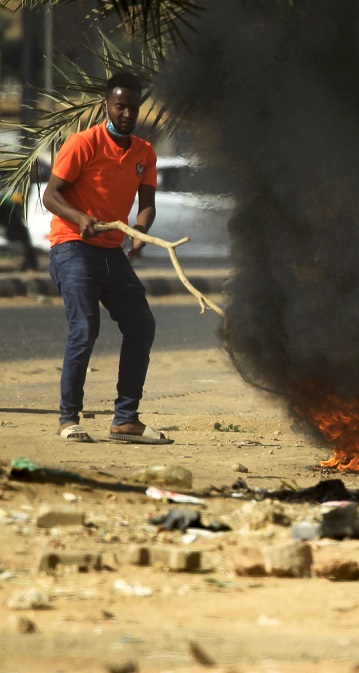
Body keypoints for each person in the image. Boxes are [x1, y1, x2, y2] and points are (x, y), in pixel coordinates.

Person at [43, 72, 172, 444]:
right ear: (107, 106)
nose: (127, 113)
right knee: (85, 328)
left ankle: (125, 419)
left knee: (141, 325)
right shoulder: (83, 143)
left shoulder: (144, 152)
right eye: (121, 106)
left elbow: (146, 204)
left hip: (112, 251)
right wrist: (81, 218)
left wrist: (140, 231)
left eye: (133, 107)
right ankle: (69, 419)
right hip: (72, 246)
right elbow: (51, 196)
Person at [1, 189, 38, 272]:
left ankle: (31, 265)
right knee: (23, 236)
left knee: (23, 236)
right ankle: (31, 265)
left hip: (10, 215)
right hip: (9, 213)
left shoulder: (13, 200)